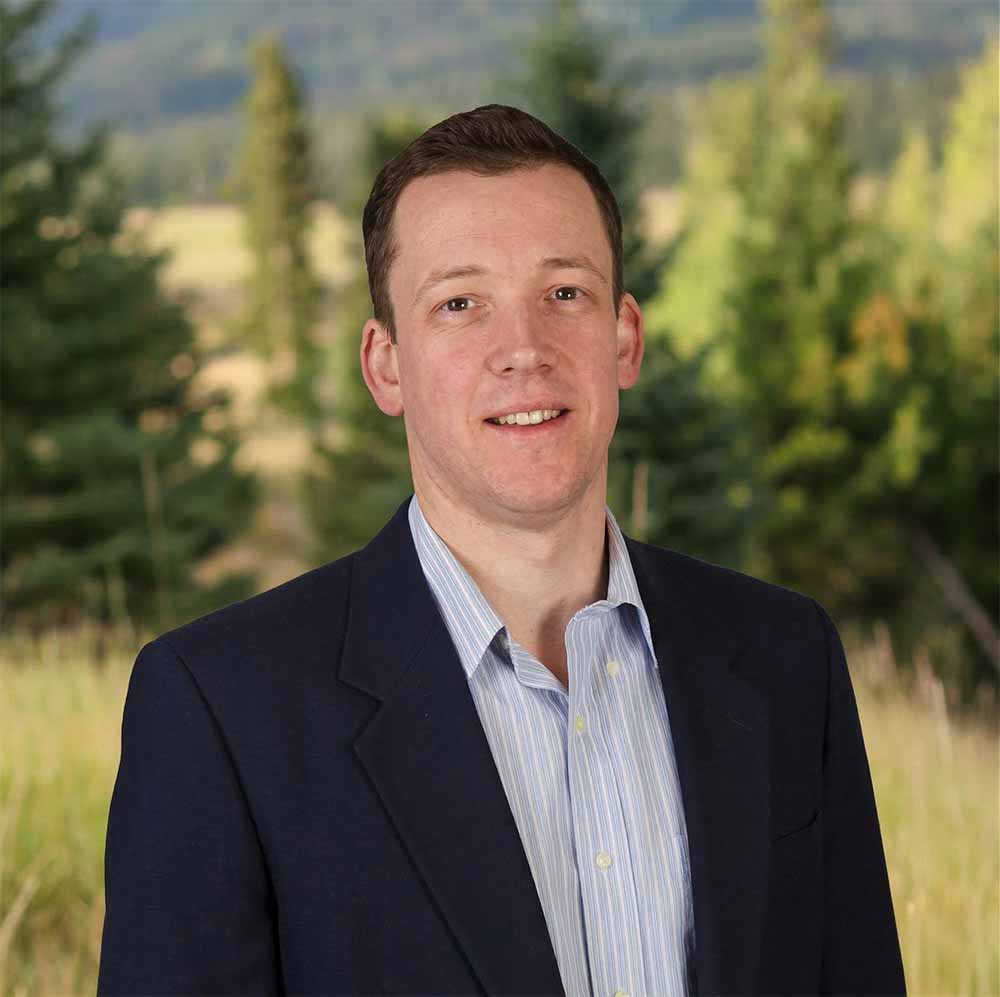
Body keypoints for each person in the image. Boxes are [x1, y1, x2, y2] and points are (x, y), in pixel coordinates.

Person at [98, 104, 906, 996]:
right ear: (386, 366)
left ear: (624, 337)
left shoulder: (787, 658)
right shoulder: (222, 708)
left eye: (565, 292)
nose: (523, 349)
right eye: (459, 304)